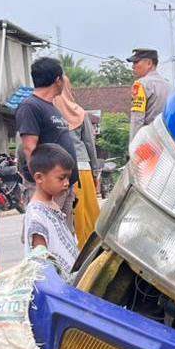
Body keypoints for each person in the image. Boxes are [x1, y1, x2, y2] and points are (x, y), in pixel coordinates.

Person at [16, 57, 78, 215]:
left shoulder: (51, 107)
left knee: (63, 236)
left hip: (62, 185)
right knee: (44, 232)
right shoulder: (30, 107)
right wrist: (42, 188)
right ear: (58, 80)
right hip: (48, 188)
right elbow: (30, 148)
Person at [53, 77, 101, 247]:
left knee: (67, 217)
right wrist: (95, 172)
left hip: (58, 171)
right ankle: (92, 254)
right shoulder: (79, 113)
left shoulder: (51, 115)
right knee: (89, 216)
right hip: (83, 170)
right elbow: (89, 144)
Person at [22, 144, 81, 273]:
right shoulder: (36, 215)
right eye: (61, 178)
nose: (66, 183)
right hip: (57, 286)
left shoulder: (52, 205)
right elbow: (41, 259)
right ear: (39, 178)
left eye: (68, 178)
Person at [128, 47, 170, 140]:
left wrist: (133, 147)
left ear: (149, 63)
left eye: (136, 62)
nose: (133, 66)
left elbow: (137, 119)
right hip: (166, 141)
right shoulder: (168, 85)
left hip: (148, 142)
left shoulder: (140, 85)